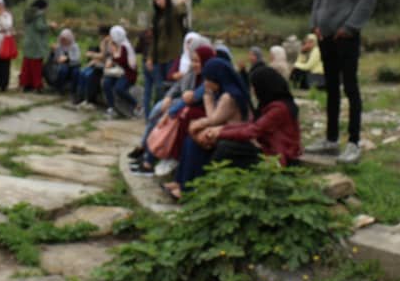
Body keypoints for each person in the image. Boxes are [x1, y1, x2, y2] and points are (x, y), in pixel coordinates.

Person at [307, 0, 377, 165]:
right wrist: (315, 23)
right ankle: (331, 139)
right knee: (331, 88)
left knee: (350, 87)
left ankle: (354, 143)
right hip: (324, 33)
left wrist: (350, 27)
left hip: (346, 35)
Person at [163, 58, 250, 200]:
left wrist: (207, 99)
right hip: (222, 131)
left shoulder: (229, 97)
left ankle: (187, 189)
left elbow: (213, 119)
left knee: (194, 143)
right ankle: (179, 182)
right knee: (189, 140)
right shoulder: (224, 92)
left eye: (208, 79)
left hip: (230, 136)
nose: (205, 83)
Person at [130, 43, 215, 176]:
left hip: (194, 112)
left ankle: (150, 160)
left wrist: (171, 112)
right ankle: (148, 156)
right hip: (182, 105)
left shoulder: (209, 78)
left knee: (171, 119)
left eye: (197, 61)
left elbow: (192, 98)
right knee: (159, 114)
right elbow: (175, 82)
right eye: (193, 60)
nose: (194, 64)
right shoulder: (192, 71)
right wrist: (168, 98)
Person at [205, 65, 303, 169]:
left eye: (254, 87)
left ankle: (211, 175)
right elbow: (250, 125)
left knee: (226, 148)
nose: (252, 91)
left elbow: (252, 131)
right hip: (267, 149)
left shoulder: (279, 109)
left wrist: (220, 133)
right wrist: (222, 129)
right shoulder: (268, 104)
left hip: (278, 156)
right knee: (222, 144)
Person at [148, 0, 187, 103]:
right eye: (156, 0)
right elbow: (154, 39)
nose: (158, 1)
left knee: (170, 86)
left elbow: (182, 13)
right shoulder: (157, 17)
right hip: (159, 57)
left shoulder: (174, 12)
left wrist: (181, 4)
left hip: (172, 55)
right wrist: (150, 57)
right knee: (159, 87)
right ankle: (160, 109)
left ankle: (169, 109)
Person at [102, 25, 138, 118]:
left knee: (119, 88)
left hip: (128, 73)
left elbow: (125, 62)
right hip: (118, 73)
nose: (111, 37)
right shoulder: (116, 45)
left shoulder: (125, 46)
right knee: (106, 83)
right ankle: (111, 107)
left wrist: (114, 57)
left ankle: (136, 104)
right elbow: (110, 58)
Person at [73, 25, 111, 107]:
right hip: (98, 63)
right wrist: (94, 59)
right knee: (82, 72)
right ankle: (80, 96)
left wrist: (92, 55)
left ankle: (86, 98)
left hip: (103, 67)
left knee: (88, 75)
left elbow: (104, 56)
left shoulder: (108, 42)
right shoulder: (104, 41)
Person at [19, 0, 51, 92]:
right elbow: (39, 27)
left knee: (27, 65)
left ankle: (26, 85)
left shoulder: (29, 14)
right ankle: (37, 85)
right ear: (43, 7)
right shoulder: (40, 15)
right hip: (36, 43)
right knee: (36, 66)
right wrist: (49, 25)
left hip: (28, 42)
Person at [51, 29, 81, 96]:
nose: (63, 41)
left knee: (76, 72)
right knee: (63, 70)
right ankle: (60, 88)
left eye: (65, 39)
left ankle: (73, 90)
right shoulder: (59, 46)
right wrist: (54, 53)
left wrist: (67, 58)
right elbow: (56, 57)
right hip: (63, 64)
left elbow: (77, 57)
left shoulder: (74, 46)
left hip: (74, 64)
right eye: (62, 39)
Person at [135, 27, 154, 117]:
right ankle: (152, 114)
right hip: (155, 64)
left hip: (145, 62)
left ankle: (147, 115)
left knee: (147, 90)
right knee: (157, 89)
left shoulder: (143, 35)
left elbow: (137, 49)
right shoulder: (157, 36)